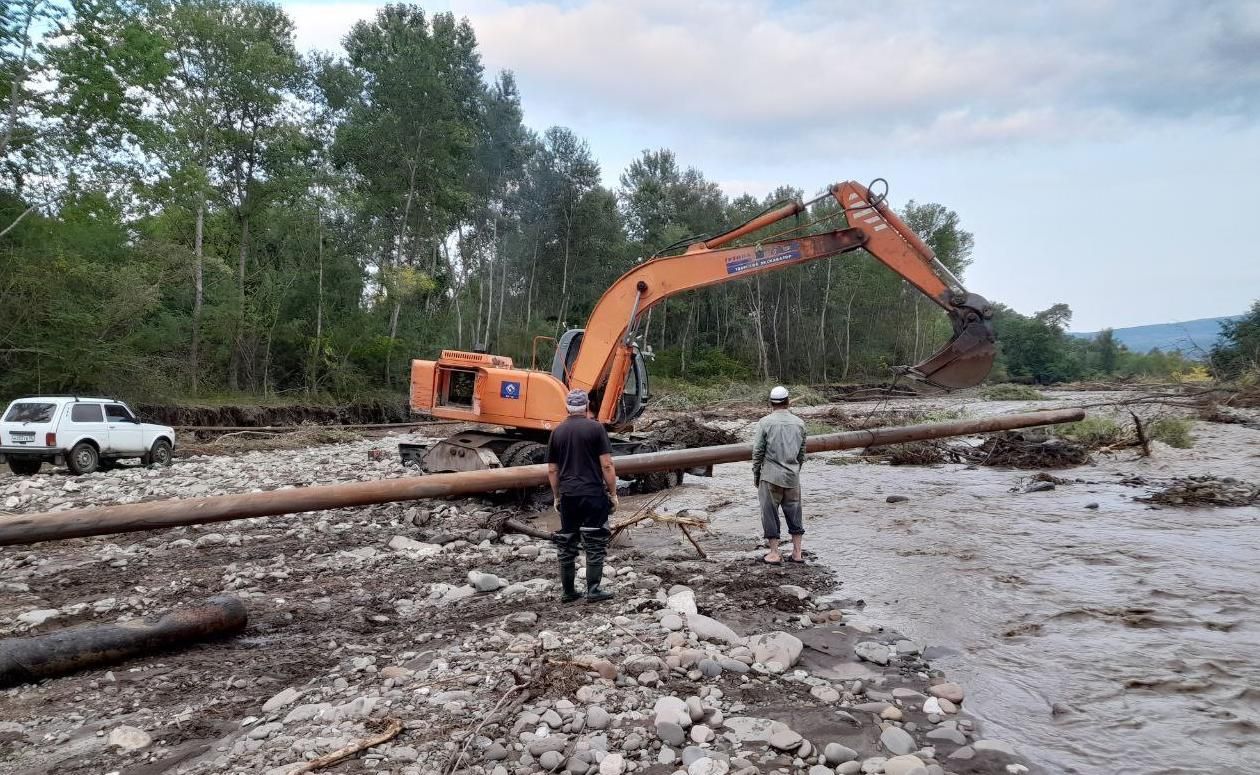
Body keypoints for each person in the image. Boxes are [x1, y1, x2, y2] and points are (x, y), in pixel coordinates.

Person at [547, 388, 620, 603]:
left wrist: (557, 496)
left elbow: (552, 469)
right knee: (595, 541)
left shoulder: (557, 432)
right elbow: (606, 464)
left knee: (567, 543)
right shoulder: (596, 429)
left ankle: (568, 592)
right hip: (592, 493)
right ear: (587, 406)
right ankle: (594, 590)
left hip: (569, 495)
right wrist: (613, 493)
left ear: (566, 408)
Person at [752, 385, 807, 565]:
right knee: (795, 513)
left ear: (771, 403)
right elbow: (801, 453)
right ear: (788, 401)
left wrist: (756, 475)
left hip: (770, 475)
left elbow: (758, 451)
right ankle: (797, 552)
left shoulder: (765, 422)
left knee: (769, 513)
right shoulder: (799, 423)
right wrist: (795, 469)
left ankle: (775, 552)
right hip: (792, 476)